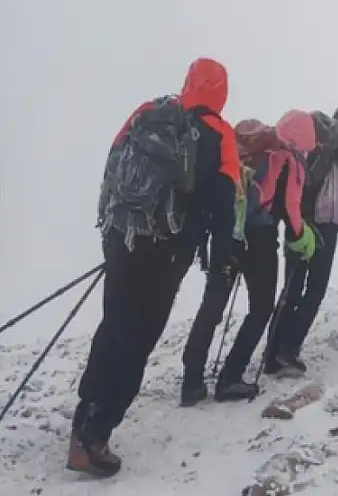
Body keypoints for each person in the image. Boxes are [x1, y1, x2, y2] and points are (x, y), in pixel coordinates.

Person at [70, 58, 241, 477]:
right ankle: (96, 434)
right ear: (221, 91)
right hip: (166, 251)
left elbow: (113, 166)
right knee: (137, 339)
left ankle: (83, 419)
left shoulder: (147, 112)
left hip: (122, 235)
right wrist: (220, 263)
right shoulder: (220, 133)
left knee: (113, 326)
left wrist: (114, 232)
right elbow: (224, 206)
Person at [180, 111, 317, 405]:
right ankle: (230, 378)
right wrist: (301, 237)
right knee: (261, 308)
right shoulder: (288, 157)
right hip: (260, 240)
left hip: (225, 232)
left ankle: (191, 381)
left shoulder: (247, 144)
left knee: (213, 305)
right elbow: (292, 210)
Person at [265, 107, 338, 375]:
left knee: (291, 288)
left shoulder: (312, 140)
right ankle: (289, 352)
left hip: (298, 221)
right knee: (314, 290)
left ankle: (272, 354)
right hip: (325, 228)